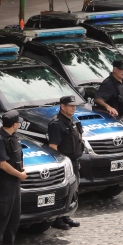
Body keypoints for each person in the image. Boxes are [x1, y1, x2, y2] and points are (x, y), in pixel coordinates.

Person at [0, 110, 28, 245]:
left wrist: (22, 169)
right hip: (4, 184)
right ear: (14, 124)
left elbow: (18, 156)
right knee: (3, 219)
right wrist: (20, 175)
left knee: (14, 217)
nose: (19, 124)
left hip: (15, 183)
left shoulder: (14, 137)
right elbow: (3, 164)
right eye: (18, 122)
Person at [46, 96, 83, 231]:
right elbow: (53, 147)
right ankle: (57, 219)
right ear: (62, 106)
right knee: (63, 191)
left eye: (74, 106)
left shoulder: (71, 120)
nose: (74, 108)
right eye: (70, 106)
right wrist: (59, 168)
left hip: (73, 160)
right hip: (64, 163)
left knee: (73, 189)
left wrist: (77, 161)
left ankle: (66, 215)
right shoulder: (56, 124)